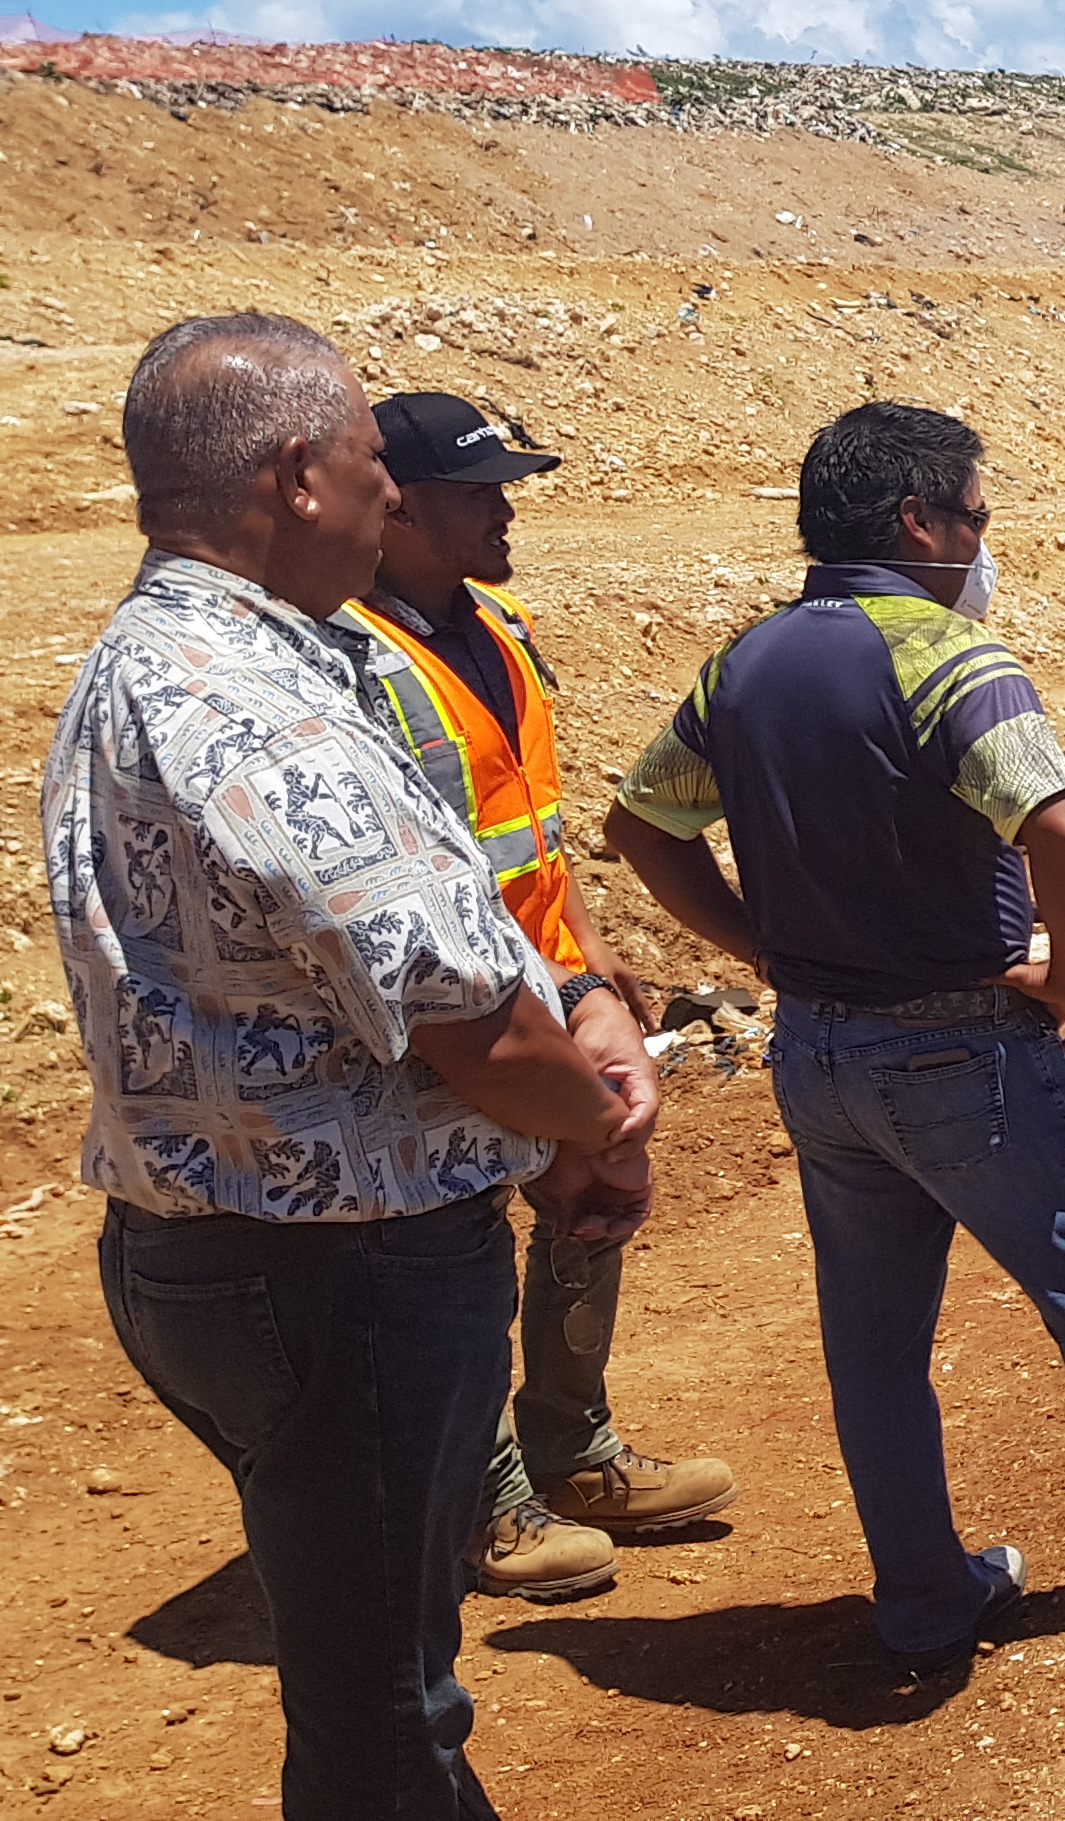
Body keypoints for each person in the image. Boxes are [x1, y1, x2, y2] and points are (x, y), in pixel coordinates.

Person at [602, 401, 1065, 1672]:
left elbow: (640, 824)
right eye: (977, 516)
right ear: (919, 521)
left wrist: (760, 951)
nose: (982, 541)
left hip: (819, 1055)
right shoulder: (947, 658)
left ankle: (928, 1599)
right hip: (963, 1048)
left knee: (876, 1344)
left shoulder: (744, 665)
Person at [45, 313, 656, 1819]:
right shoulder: (255, 705)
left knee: (382, 1691)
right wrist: (596, 1124)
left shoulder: (161, 660)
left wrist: (567, 991)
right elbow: (475, 1028)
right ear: (299, 474)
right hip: (343, 1274)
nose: (394, 501)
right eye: (379, 468)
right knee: (390, 1719)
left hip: (226, 1255)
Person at [341, 392, 738, 1605]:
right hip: (442, 1003)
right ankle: (482, 1499)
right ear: (398, 506)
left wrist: (595, 958)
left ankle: (572, 1445)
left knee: (589, 1199)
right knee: (456, 1234)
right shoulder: (349, 657)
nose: (507, 508)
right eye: (481, 490)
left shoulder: (497, 626)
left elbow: (533, 830)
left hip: (550, 975)